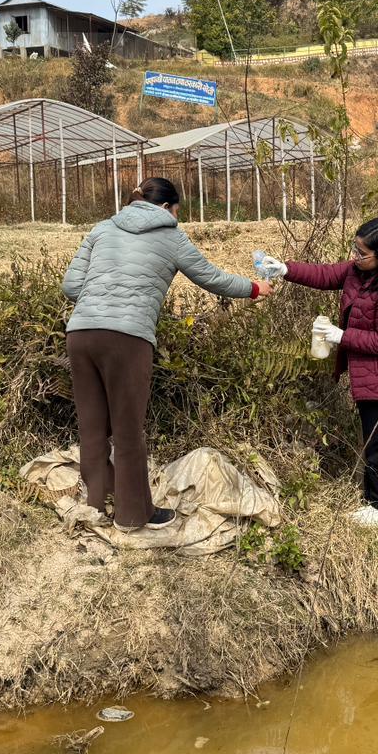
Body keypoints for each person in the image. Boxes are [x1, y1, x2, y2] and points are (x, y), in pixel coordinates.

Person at [61, 177, 271, 531]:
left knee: (92, 427)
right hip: (127, 339)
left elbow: (70, 286)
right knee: (128, 431)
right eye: (177, 211)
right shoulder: (171, 236)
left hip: (80, 333)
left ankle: (94, 506)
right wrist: (254, 287)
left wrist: (102, 296)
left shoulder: (102, 229)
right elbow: (211, 278)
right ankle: (132, 517)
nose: (177, 217)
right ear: (165, 208)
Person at [259, 217, 378, 527]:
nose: (356, 257)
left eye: (363, 253)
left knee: (377, 441)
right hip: (367, 373)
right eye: (355, 250)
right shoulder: (357, 273)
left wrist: (340, 336)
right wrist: (286, 269)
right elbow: (325, 274)